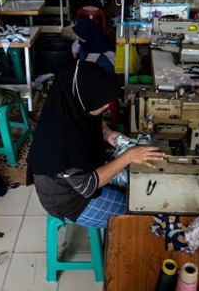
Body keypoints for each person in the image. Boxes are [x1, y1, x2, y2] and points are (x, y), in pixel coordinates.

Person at [27, 61, 163, 227]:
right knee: (141, 214)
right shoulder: (63, 138)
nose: (106, 105)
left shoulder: (67, 106)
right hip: (71, 200)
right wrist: (128, 156)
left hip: (80, 179)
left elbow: (90, 120)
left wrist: (106, 133)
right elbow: (88, 186)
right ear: (83, 97)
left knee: (143, 193)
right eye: (101, 101)